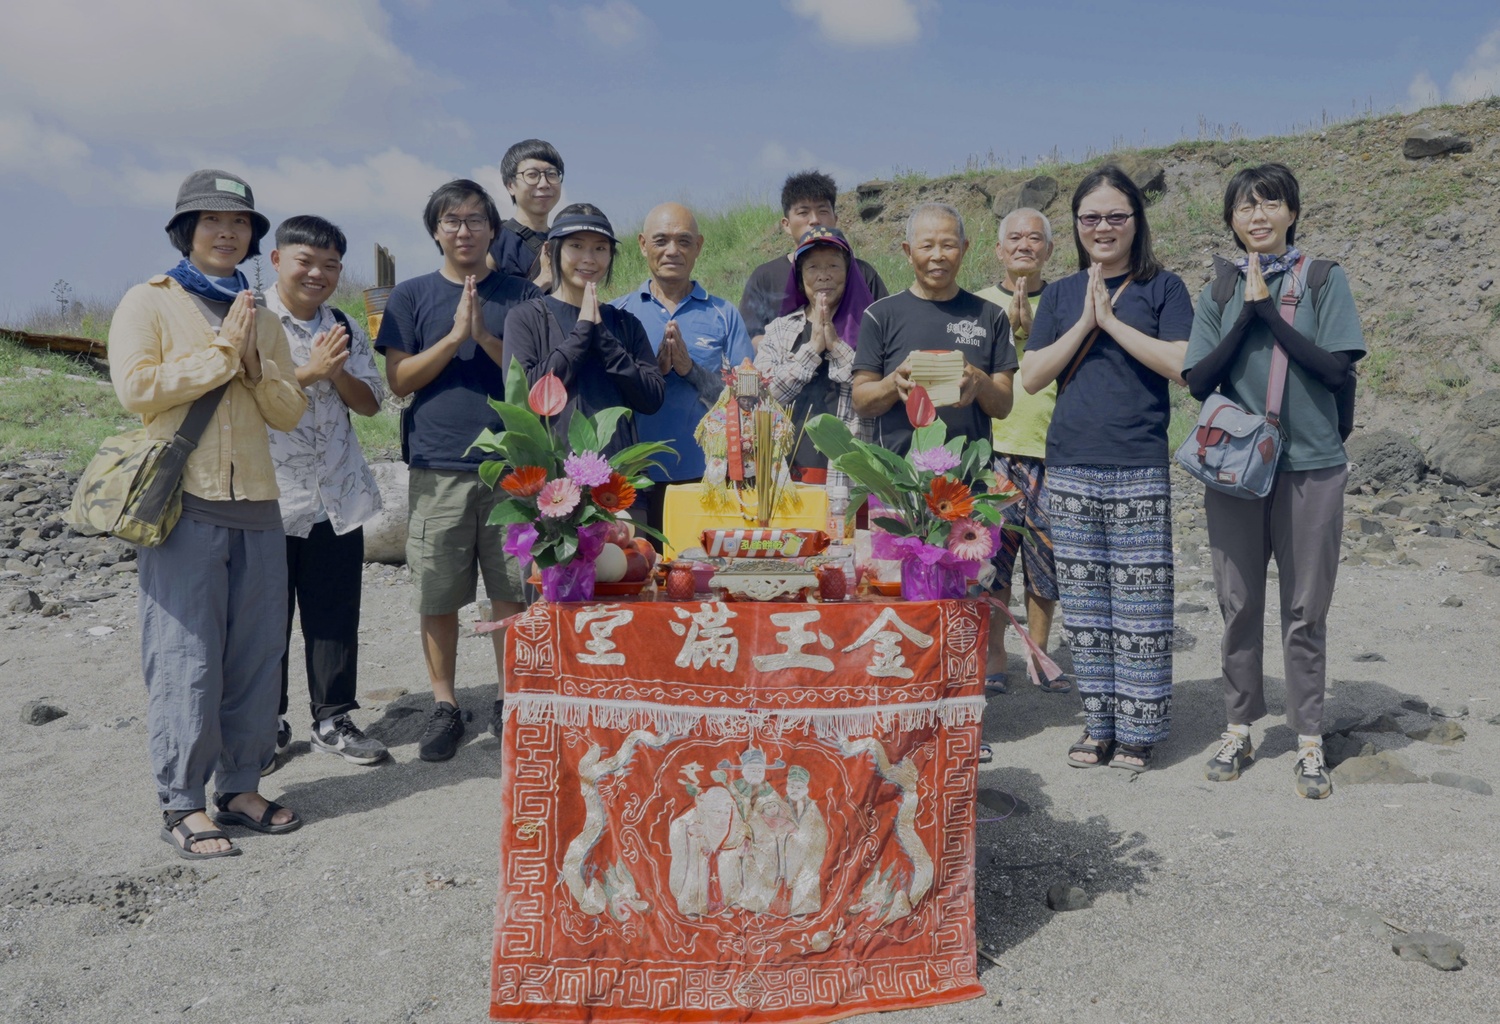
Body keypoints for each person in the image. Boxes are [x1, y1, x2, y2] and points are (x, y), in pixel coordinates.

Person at [109, 169, 307, 858]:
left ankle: (243, 785)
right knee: (185, 655)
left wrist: (256, 366)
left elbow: (290, 412)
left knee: (257, 654)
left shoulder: (266, 315)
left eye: (240, 222)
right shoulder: (149, 301)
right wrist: (221, 354)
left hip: (258, 502)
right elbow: (136, 388)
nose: (228, 232)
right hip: (184, 501)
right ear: (186, 231)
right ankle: (183, 802)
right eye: (212, 221)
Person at [1184, 163, 1366, 800]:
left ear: (1292, 211)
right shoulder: (1216, 290)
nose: (1257, 216)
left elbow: (1337, 369)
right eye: (1244, 208)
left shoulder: (1322, 278)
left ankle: (1309, 738)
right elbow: (1199, 379)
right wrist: (1246, 315)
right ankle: (1238, 725)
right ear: (1230, 221)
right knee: (1238, 603)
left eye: (1270, 204)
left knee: (1304, 606)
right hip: (1235, 468)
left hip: (1311, 465)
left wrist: (1271, 316)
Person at [1021, 165, 1195, 775]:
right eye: (1090, 217)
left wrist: (1114, 322)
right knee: (1088, 607)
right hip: (1069, 464)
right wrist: (1086, 322)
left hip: (1138, 463)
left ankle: (1141, 732)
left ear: (1136, 222)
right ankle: (1099, 726)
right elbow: (1034, 374)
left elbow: (1182, 364)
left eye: (1116, 216)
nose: (1103, 227)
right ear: (1075, 225)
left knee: (1141, 605)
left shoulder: (1164, 288)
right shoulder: (1064, 294)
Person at [375, 179, 542, 762]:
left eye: (475, 220)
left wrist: (485, 337)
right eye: (452, 220)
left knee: (512, 594)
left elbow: (537, 375)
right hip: (438, 465)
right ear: (436, 231)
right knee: (439, 594)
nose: (464, 230)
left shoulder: (522, 295)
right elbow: (399, 382)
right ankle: (444, 705)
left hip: (512, 468)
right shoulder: (412, 296)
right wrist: (452, 338)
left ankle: (508, 699)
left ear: (494, 229)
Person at [264, 214, 388, 768]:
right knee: (265, 617)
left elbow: (370, 403)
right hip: (269, 497)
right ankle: (264, 724)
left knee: (334, 613)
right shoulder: (253, 319)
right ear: (276, 261)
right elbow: (241, 397)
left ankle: (333, 718)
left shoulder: (343, 323)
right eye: (305, 262)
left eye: (330, 264)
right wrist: (310, 372)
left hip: (337, 493)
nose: (318, 273)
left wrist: (336, 373)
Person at [611, 202, 751, 536]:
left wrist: (692, 371)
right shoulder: (618, 313)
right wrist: (652, 374)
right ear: (643, 244)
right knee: (638, 576)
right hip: (633, 481)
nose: (673, 250)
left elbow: (749, 399)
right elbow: (605, 397)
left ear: (699, 246)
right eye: (661, 241)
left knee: (698, 579)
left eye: (684, 241)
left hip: (706, 478)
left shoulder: (723, 313)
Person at [974, 209, 1067, 697]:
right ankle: (994, 658)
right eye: (1014, 238)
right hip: (994, 452)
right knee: (992, 562)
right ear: (998, 250)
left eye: (1036, 239)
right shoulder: (977, 306)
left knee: (1045, 559)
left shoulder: (1064, 303)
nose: (1024, 245)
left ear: (1050, 251)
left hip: (1052, 453)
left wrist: (1034, 330)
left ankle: (1039, 653)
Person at [851, 203, 1016, 455]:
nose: (938, 255)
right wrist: (893, 383)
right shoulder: (879, 315)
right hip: (899, 482)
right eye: (927, 246)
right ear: (908, 251)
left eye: (948, 245)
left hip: (967, 482)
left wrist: (979, 381)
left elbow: (1004, 407)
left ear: (964, 249)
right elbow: (861, 401)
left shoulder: (991, 316)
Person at [503, 204, 665, 458]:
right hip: (551, 483)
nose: (589, 258)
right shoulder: (525, 318)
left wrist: (604, 338)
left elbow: (652, 398)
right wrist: (581, 334)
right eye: (576, 246)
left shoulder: (626, 323)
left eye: (600, 248)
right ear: (550, 251)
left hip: (616, 485)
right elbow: (523, 398)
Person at [754, 225, 877, 489]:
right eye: (812, 268)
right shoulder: (779, 330)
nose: (823, 276)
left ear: (849, 273)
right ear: (800, 279)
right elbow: (760, 396)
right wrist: (811, 350)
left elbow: (873, 393)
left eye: (833, 266)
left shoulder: (871, 327)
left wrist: (833, 344)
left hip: (850, 477)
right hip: (787, 474)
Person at [738, 170, 888, 346]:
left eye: (823, 211)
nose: (815, 220)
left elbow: (887, 326)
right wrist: (788, 354)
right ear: (786, 225)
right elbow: (750, 336)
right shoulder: (765, 276)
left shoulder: (863, 273)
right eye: (803, 212)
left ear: (835, 218)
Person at [488, 139, 563, 290]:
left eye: (552, 174)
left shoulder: (566, 241)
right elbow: (483, 308)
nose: (544, 183)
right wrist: (541, 283)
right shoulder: (493, 240)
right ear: (510, 186)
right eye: (532, 175)